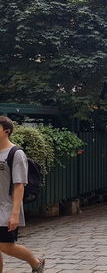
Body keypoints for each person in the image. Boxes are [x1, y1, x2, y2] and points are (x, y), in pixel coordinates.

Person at [0, 117, 45, 273]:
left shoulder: (16, 153)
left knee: (5, 246)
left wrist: (15, 214)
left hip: (7, 206)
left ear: (7, 131)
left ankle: (36, 263)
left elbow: (19, 185)